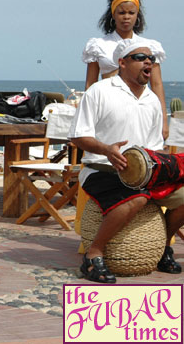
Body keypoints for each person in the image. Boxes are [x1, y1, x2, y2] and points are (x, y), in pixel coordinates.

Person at [70, 41, 184, 283]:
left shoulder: (152, 100)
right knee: (139, 197)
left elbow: (154, 147)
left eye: (151, 59)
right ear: (122, 62)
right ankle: (94, 254)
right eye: (140, 57)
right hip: (99, 168)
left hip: (144, 173)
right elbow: (78, 135)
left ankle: (161, 247)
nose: (148, 62)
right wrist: (105, 149)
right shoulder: (99, 91)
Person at [82, 0, 168, 139]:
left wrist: (163, 121)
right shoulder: (98, 45)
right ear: (113, 14)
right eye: (121, 13)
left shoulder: (148, 47)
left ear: (137, 15)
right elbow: (90, 84)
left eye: (131, 13)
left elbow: (156, 84)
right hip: (109, 110)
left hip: (141, 109)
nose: (126, 17)